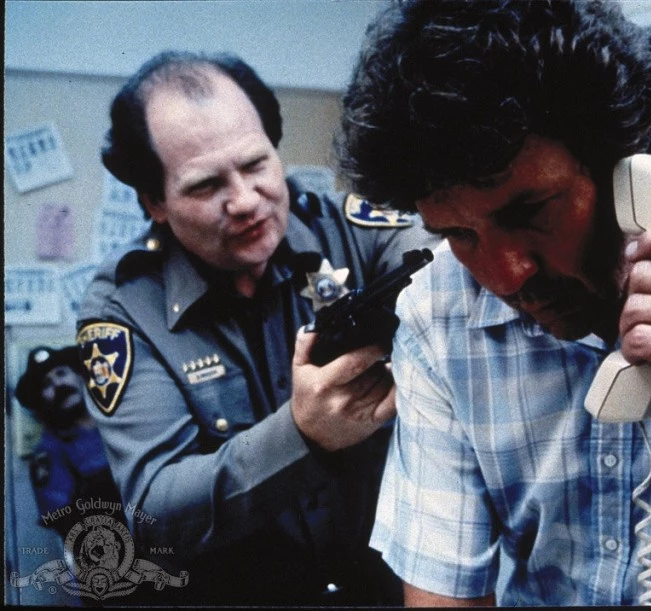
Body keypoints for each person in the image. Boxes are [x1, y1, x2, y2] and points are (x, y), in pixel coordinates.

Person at [338, 0, 651, 606]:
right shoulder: (438, 316)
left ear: (627, 171)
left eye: (529, 212)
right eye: (460, 234)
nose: (505, 277)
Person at [75, 50, 435, 606]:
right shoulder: (123, 308)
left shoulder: (357, 231)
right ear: (155, 203)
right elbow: (154, 512)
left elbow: (448, 267)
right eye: (205, 186)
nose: (245, 201)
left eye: (256, 164)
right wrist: (303, 435)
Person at [15, 346, 122, 539]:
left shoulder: (120, 420)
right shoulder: (49, 451)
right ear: (42, 400)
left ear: (80, 376)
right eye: (46, 384)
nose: (58, 385)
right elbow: (62, 520)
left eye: (61, 373)